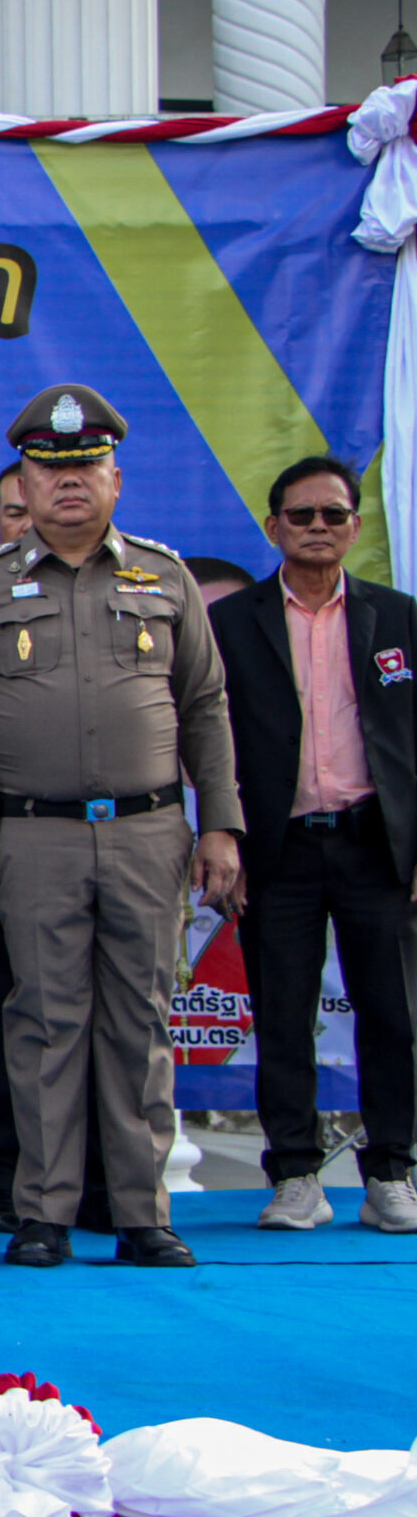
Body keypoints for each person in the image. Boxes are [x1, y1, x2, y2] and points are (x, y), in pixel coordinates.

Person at [0, 385, 242, 1270]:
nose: (69, 483)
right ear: (24, 483)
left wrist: (222, 824)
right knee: (43, 1023)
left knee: (141, 1021)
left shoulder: (166, 577)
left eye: (86, 468)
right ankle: (43, 1211)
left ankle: (142, 1212)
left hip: (148, 832)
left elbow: (207, 709)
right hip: (35, 837)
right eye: (50, 469)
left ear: (116, 480)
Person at [209, 455, 417, 1233]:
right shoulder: (233, 621)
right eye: (302, 515)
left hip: (376, 845)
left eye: (334, 514)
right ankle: (295, 1173)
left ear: (356, 527)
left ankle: (391, 1171)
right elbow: (208, 738)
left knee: (392, 1015)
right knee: (283, 1016)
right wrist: (222, 833)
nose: (318, 527)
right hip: (278, 849)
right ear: (274, 527)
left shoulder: (398, 617)